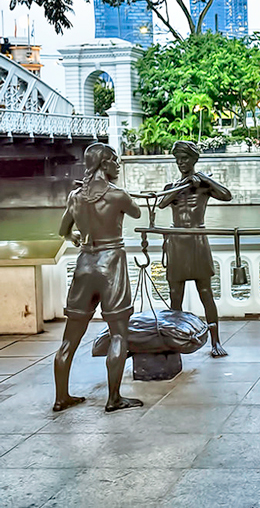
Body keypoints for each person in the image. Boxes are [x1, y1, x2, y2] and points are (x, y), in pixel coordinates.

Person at [54, 143, 143, 412]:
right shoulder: (117, 195)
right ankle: (114, 398)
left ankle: (61, 398)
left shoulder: (75, 196)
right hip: (110, 263)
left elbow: (63, 230)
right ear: (104, 164)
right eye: (115, 161)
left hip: (84, 263)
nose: (118, 165)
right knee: (118, 334)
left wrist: (74, 236)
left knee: (69, 338)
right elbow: (137, 212)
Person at [159, 140, 232, 357]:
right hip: (177, 242)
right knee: (175, 295)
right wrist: (182, 184)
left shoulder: (203, 186)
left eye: (186, 159)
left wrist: (204, 179)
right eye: (178, 159)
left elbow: (227, 195)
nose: (181, 163)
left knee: (206, 293)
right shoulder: (172, 187)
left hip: (197, 240)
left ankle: (215, 341)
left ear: (194, 160)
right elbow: (162, 204)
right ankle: (176, 341)